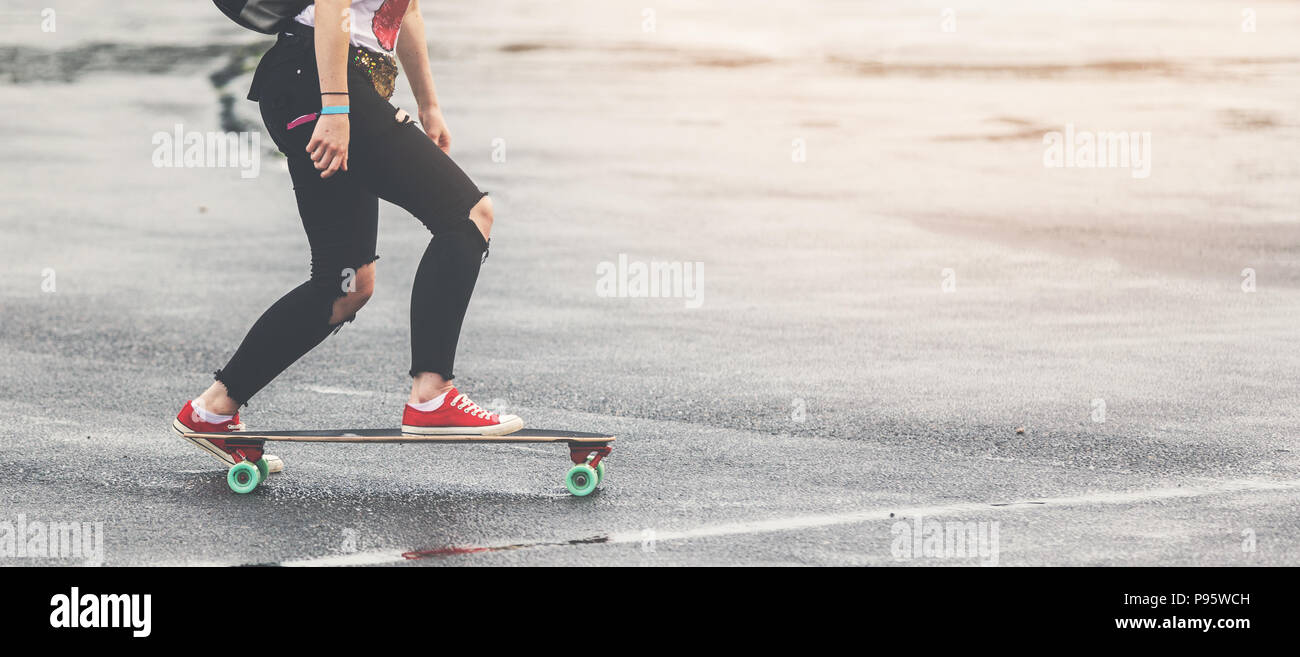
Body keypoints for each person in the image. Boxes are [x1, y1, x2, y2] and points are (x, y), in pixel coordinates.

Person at [173, 0, 522, 470]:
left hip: (317, 83)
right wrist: (336, 109)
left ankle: (211, 411)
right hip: (323, 81)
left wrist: (430, 105)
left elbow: (408, 11)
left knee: (346, 285)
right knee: (469, 215)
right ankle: (431, 395)